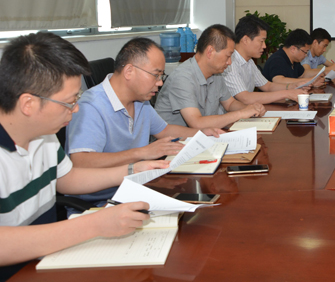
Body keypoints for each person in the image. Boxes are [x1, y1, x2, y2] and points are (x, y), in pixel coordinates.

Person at [0, 32, 168, 278]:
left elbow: (67, 179)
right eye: (69, 102)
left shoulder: (44, 135)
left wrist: (132, 170)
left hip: (46, 259)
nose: (77, 108)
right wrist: (95, 224)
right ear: (28, 104)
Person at [66, 38, 223, 206]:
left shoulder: (140, 101)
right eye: (155, 75)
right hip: (101, 203)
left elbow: (164, 130)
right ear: (129, 71)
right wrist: (141, 153)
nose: (160, 82)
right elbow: (81, 161)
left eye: (161, 76)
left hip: (138, 190)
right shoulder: (91, 106)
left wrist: (201, 133)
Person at [155, 24, 265, 129]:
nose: (229, 62)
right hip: (175, 140)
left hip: (203, 136)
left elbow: (230, 104)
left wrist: (250, 108)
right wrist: (241, 113)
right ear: (210, 51)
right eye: (228, 56)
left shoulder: (217, 73)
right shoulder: (182, 78)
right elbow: (197, 123)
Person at [223, 14, 310, 104]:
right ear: (245, 40)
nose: (264, 46)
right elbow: (245, 98)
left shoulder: (249, 61)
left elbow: (268, 86)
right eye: (261, 41)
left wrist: (293, 86)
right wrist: (287, 94)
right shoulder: (230, 63)